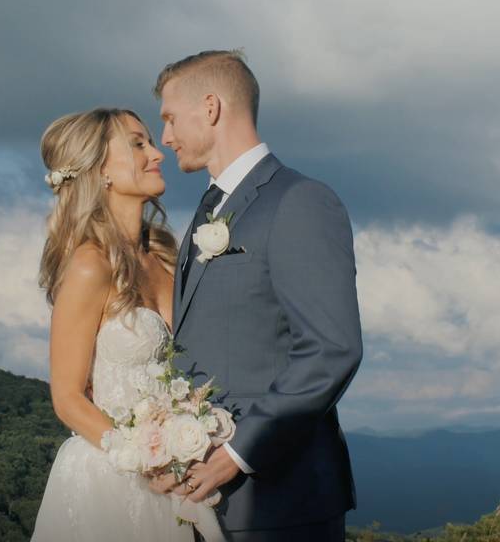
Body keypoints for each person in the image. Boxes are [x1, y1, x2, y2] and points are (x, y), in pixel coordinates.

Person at [149, 50, 363, 541]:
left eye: (169, 118)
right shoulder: (207, 211)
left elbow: (332, 348)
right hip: (205, 499)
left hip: (278, 501)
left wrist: (238, 454)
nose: (165, 137)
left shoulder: (299, 201)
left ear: (210, 108)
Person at [30, 107, 194, 541]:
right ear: (100, 169)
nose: (157, 153)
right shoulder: (89, 265)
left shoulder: (165, 255)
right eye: (138, 144)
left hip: (183, 478)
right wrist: (146, 461)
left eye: (151, 142)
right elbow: (67, 398)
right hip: (112, 481)